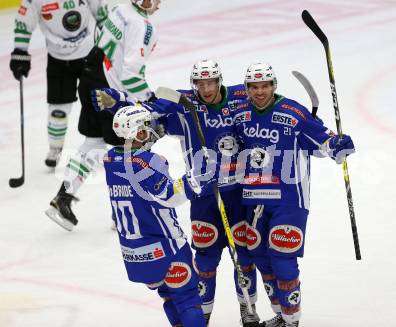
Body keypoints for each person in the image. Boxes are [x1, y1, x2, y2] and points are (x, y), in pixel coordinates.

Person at [92, 60, 260, 326]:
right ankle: (200, 315)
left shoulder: (240, 96)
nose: (205, 89)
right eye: (200, 83)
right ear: (194, 84)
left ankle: (248, 310)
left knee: (245, 258)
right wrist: (121, 101)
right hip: (203, 199)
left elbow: (266, 101)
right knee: (204, 262)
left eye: (210, 82)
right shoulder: (183, 104)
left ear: (219, 81)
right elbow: (148, 112)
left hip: (236, 193)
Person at [232, 63, 355, 327]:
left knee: (283, 259)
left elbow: (322, 141)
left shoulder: (294, 112)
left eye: (265, 85)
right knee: (262, 259)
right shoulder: (240, 115)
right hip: (254, 198)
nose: (260, 91)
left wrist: (336, 145)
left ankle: (292, 321)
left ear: (274, 86)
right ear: (247, 89)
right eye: (254, 87)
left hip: (289, 199)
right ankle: (282, 313)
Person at [45, 0, 161, 231]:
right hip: (110, 92)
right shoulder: (142, 26)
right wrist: (151, 103)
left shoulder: (119, 8)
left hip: (90, 77)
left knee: (94, 143)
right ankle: (124, 214)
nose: (159, 3)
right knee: (131, 147)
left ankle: (63, 199)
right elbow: (130, 77)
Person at [104, 105, 213, 327]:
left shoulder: (109, 160)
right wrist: (196, 178)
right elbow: (170, 195)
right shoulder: (150, 161)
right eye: (146, 127)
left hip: (134, 252)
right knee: (188, 298)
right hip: (165, 246)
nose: (151, 129)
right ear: (137, 133)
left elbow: (132, 162)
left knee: (169, 296)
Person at [10, 0, 109, 167]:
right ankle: (55, 149)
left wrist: (111, 41)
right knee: (58, 110)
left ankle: (96, 146)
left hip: (90, 53)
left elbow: (102, 14)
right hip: (59, 59)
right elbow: (23, 23)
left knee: (97, 101)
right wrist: (20, 51)